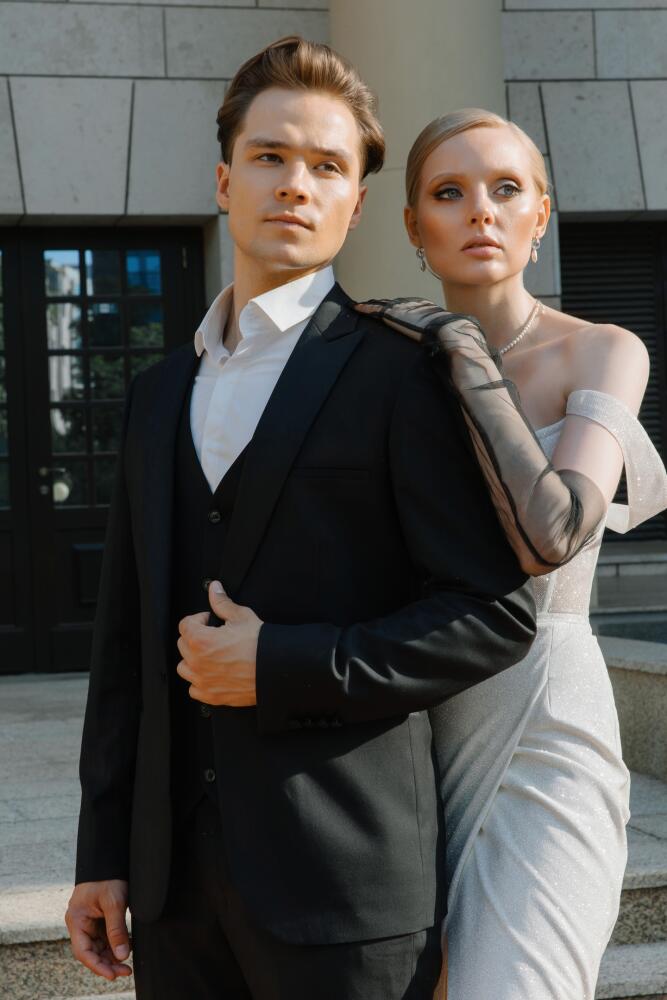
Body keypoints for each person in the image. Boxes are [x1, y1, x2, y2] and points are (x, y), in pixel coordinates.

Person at [64, 48, 536, 1000]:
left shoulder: (405, 372)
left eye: (326, 166)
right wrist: (102, 852)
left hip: (344, 888)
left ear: (355, 205)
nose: (294, 184)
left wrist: (282, 664)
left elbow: (493, 615)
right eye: (270, 156)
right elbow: (124, 646)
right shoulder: (156, 393)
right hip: (172, 896)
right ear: (224, 181)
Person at [357, 108, 667, 999]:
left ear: (540, 214)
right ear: (414, 227)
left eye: (504, 188)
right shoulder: (382, 371)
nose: (479, 211)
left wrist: (460, 354)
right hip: (413, 728)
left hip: (546, 713)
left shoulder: (604, 351)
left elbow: (552, 533)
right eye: (448, 193)